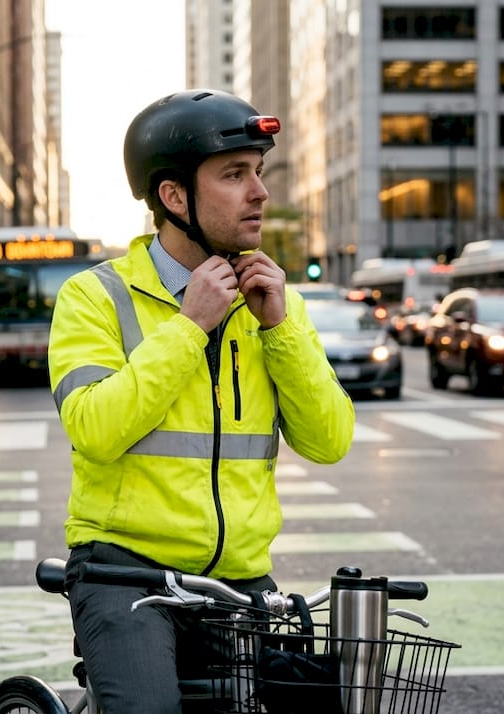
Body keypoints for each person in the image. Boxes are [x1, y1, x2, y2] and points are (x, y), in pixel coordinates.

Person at [47, 89, 356, 712]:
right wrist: (189, 328)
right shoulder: (93, 297)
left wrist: (280, 330)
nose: (259, 193)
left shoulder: (275, 302)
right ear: (174, 196)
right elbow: (95, 428)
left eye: (259, 173)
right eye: (234, 174)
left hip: (239, 584)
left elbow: (329, 442)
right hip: (124, 576)